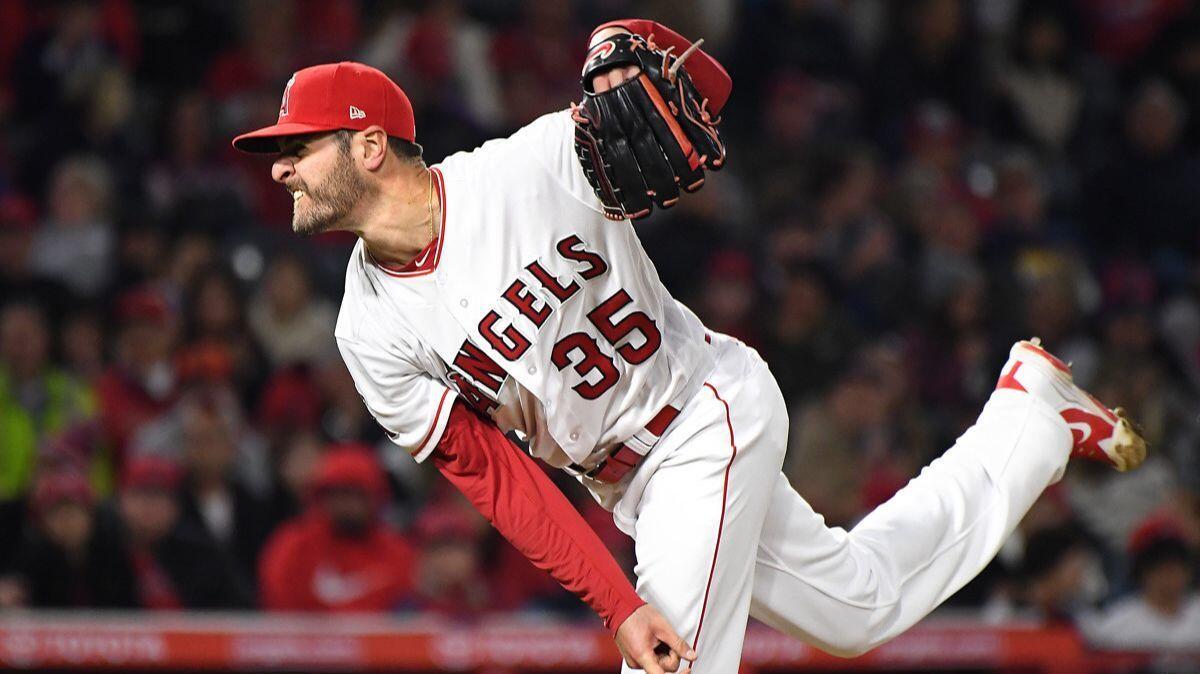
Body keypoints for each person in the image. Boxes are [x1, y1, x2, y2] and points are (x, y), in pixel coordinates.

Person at [232, 21, 1146, 673]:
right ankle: (1031, 416)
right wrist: (617, 602)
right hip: (625, 480)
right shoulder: (367, 325)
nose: (279, 168)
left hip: (702, 414)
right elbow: (501, 481)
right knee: (858, 609)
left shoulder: (538, 164)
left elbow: (699, 95)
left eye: (298, 147)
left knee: (671, 671)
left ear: (368, 144)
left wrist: (637, 47)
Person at [258, 443, 416, 612]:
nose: (346, 504)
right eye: (338, 494)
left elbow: (408, 609)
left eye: (356, 495)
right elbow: (278, 605)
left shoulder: (397, 551)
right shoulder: (293, 546)